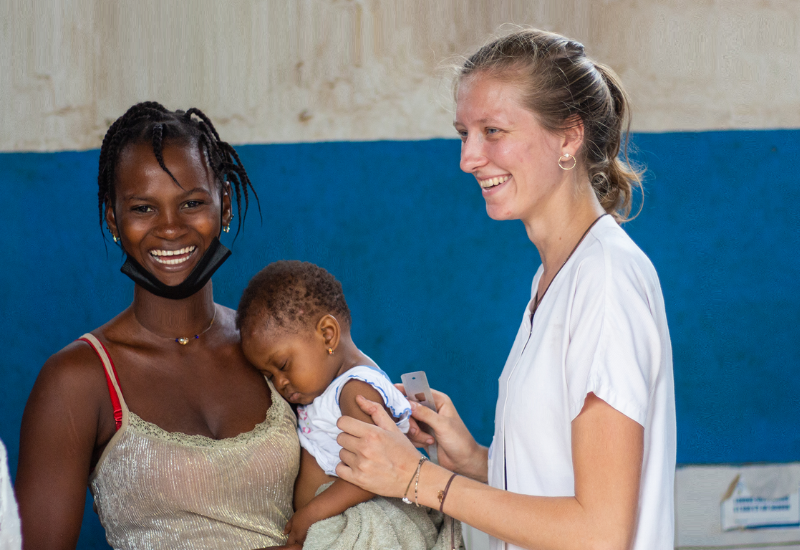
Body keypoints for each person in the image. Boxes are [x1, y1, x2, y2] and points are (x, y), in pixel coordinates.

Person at [335, 28, 676, 550]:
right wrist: (470, 458)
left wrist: (416, 479)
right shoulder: (553, 277)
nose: (468, 158)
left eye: (493, 130)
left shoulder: (605, 280)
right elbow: (553, 489)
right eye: (463, 133)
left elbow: (600, 532)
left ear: (568, 137)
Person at [16, 102, 301, 550]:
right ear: (114, 220)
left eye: (191, 203)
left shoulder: (272, 347)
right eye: (144, 208)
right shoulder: (77, 380)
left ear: (224, 206)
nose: (171, 228)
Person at [237, 260, 461, 549]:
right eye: (269, 376)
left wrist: (311, 514)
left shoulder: (355, 390)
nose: (280, 383)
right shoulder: (328, 386)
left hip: (365, 521)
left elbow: (374, 471)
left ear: (328, 335)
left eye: (282, 365)